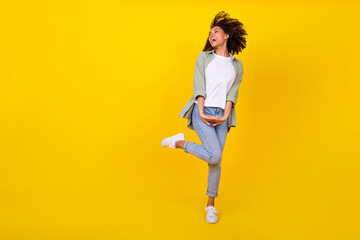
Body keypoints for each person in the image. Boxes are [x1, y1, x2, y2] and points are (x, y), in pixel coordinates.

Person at [161, 11, 247, 224]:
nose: (211, 35)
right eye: (209, 33)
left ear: (227, 35)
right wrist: (200, 111)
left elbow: (232, 94)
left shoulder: (237, 66)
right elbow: (199, 86)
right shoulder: (203, 58)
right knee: (215, 155)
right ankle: (179, 142)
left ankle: (210, 206)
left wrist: (226, 114)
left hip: (222, 116)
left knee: (216, 162)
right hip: (203, 110)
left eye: (216, 31)